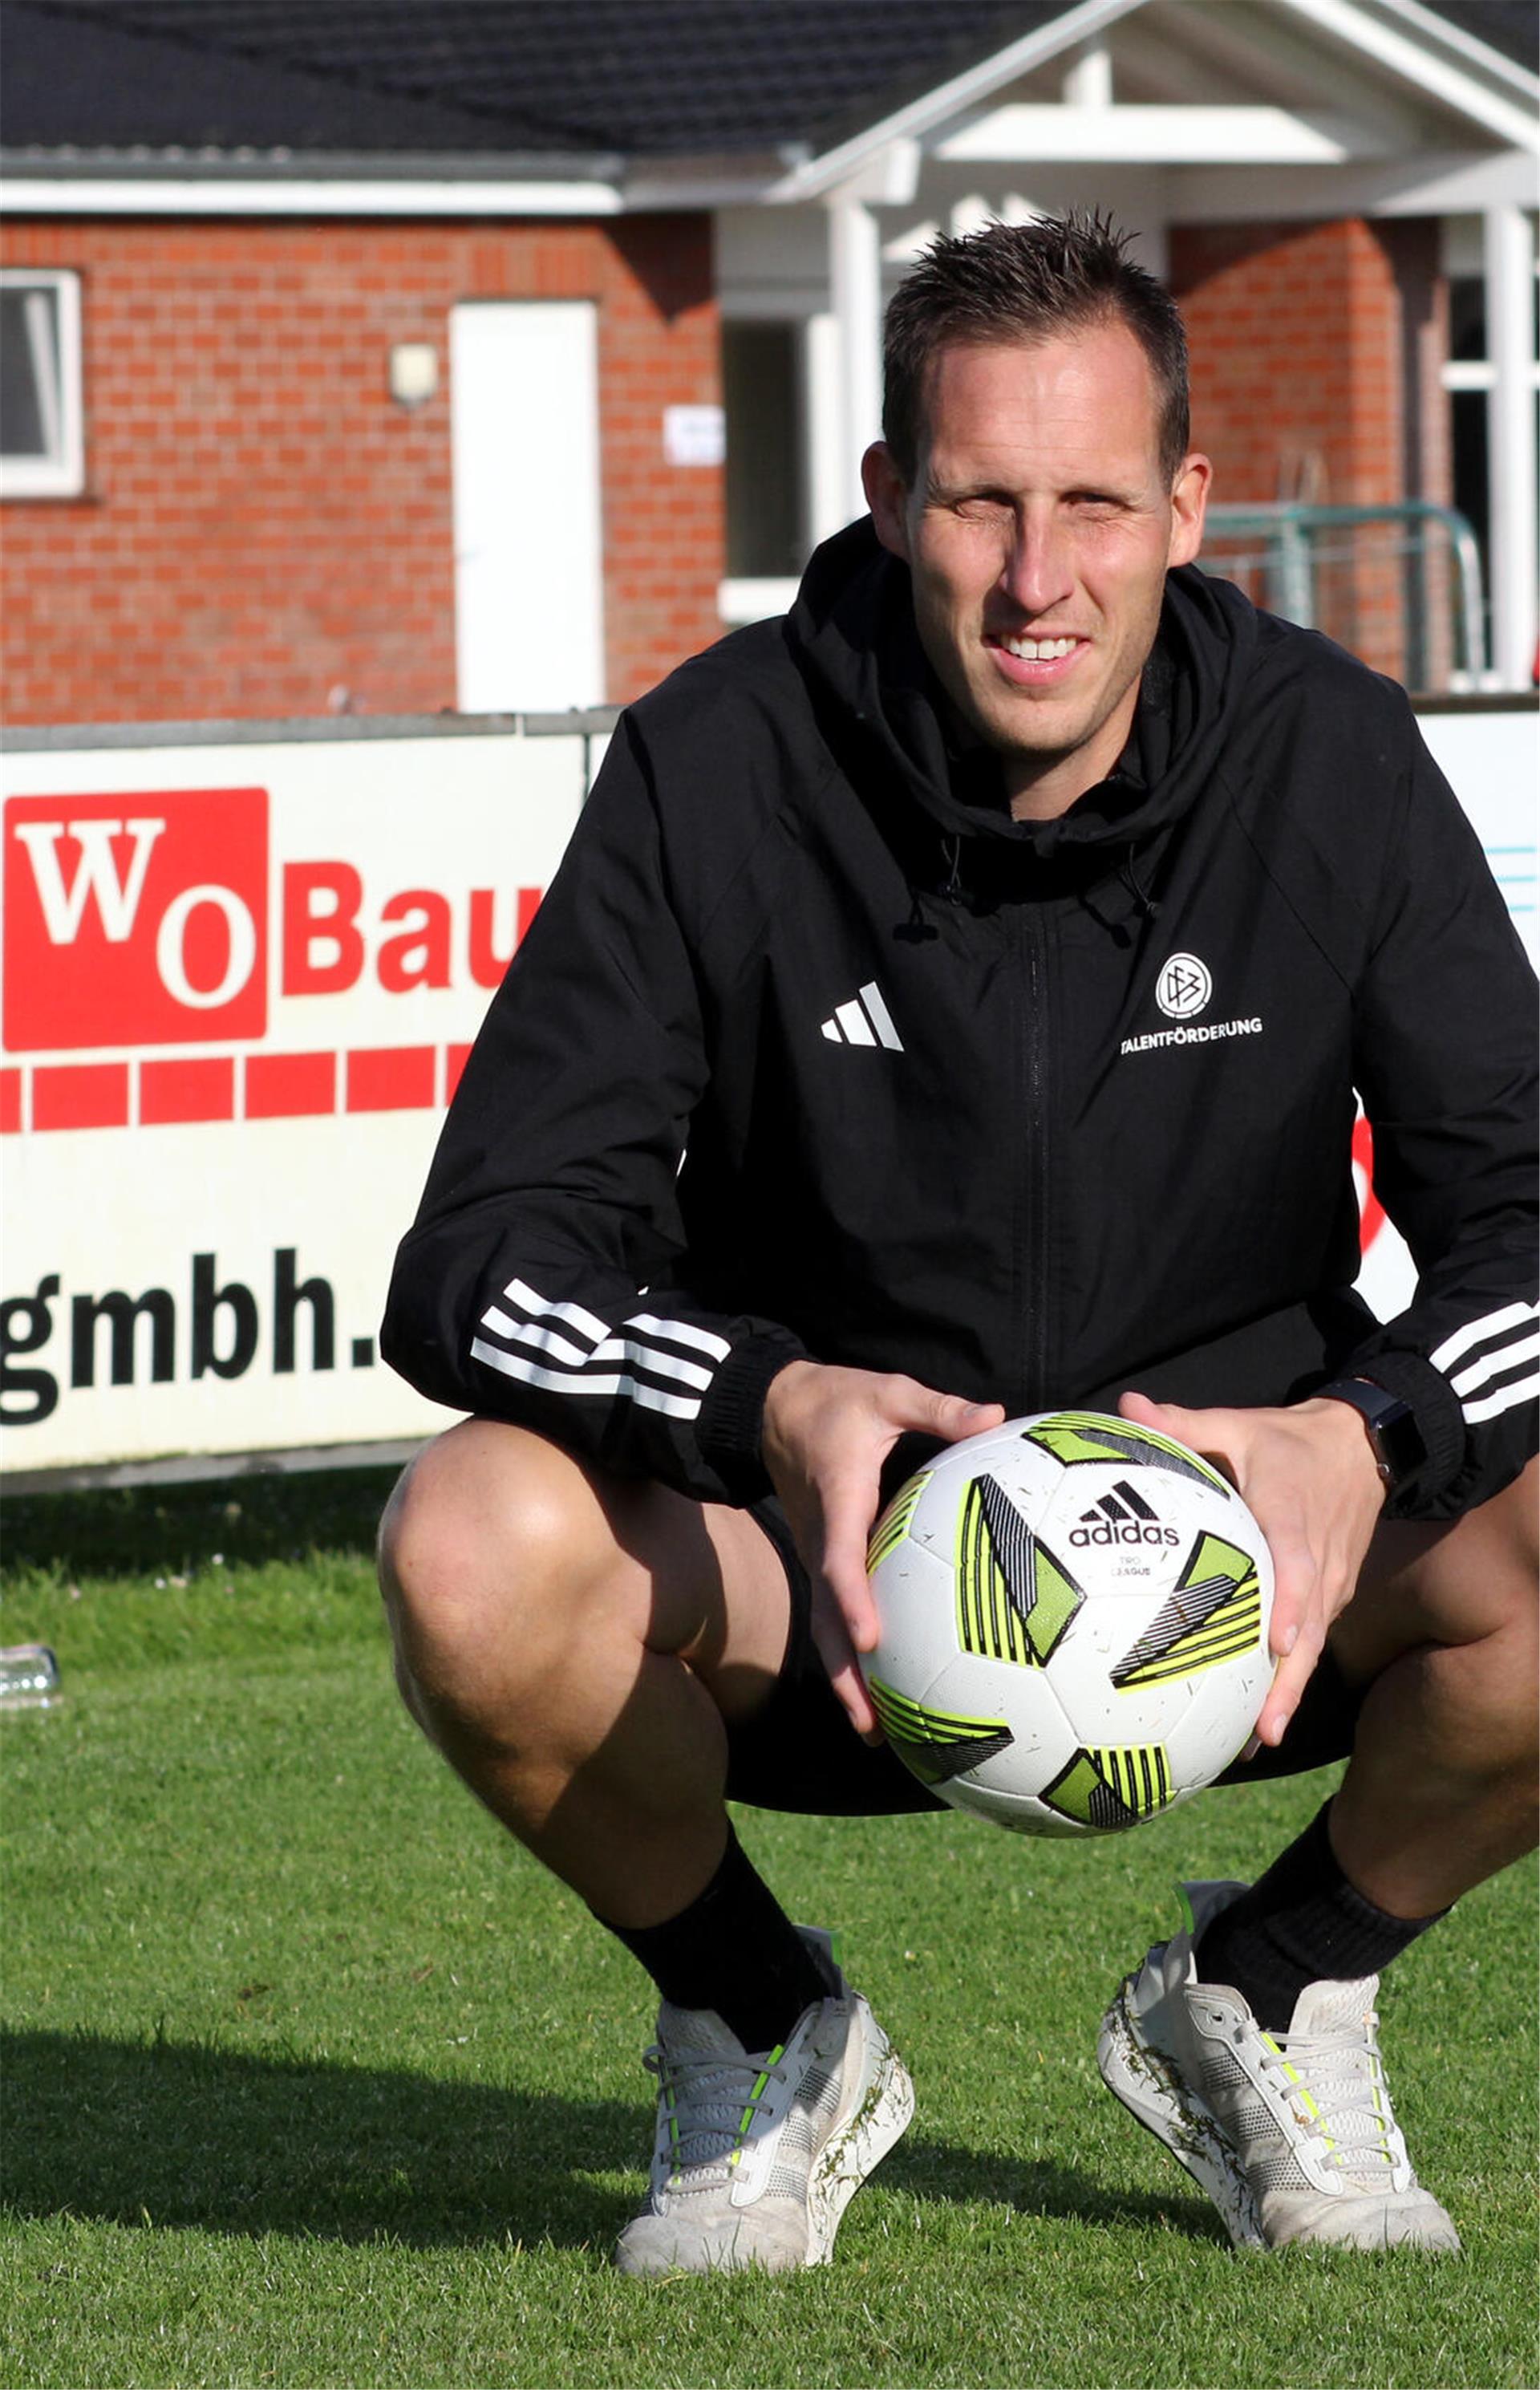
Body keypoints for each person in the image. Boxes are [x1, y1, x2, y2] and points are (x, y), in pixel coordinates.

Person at [379, 213, 1537, 2273]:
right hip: (807, 1578)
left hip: (1230, 1568)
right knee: (474, 1550)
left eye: (1095, 500)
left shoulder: (1330, 761)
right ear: (888, 494)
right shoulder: (717, 764)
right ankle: (760, 2025)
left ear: (1188, 505)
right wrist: (763, 1394)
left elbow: (1530, 1214)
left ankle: (1271, 1989)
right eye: (983, 500)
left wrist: (1369, 1429)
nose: (1039, 577)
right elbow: (471, 1261)